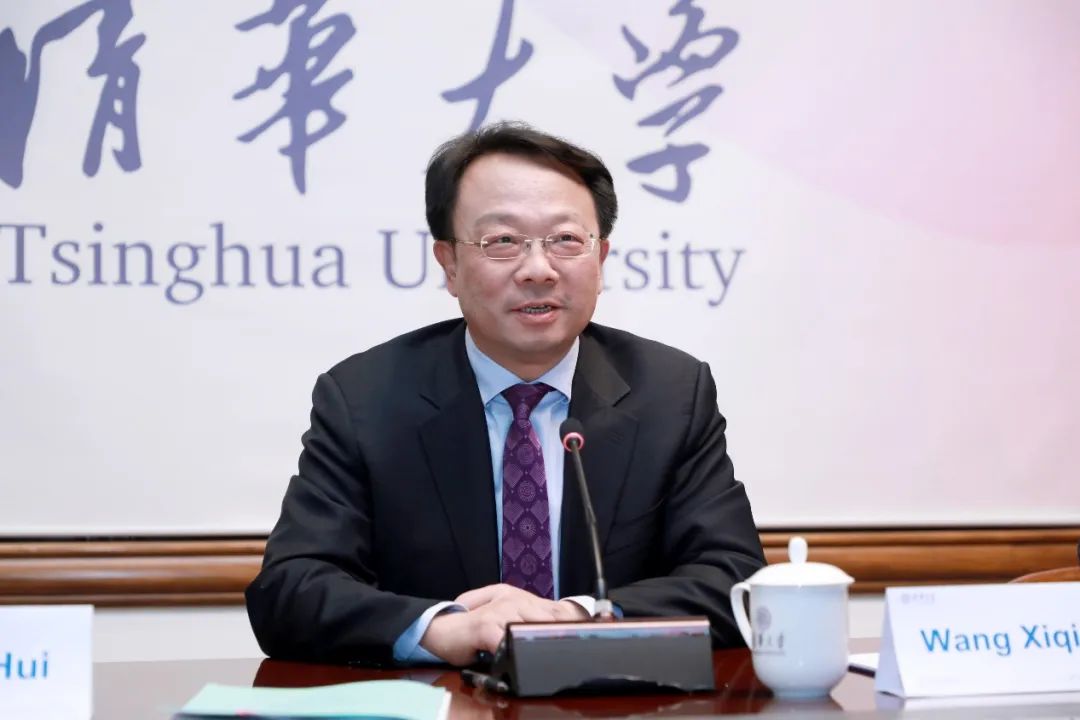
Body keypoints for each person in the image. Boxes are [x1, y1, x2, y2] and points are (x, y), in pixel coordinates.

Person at [246, 122, 765, 666]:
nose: (538, 270)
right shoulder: (365, 399)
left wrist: (579, 617)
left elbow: (736, 580)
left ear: (601, 259)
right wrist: (442, 629)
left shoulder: (671, 393)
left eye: (566, 240)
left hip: (611, 698)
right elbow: (290, 589)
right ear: (449, 264)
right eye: (503, 242)